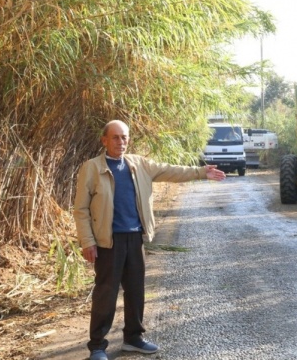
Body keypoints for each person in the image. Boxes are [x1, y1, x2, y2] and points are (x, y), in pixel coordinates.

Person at [73, 120, 226, 360]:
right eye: (115, 137)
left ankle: (133, 338)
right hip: (107, 242)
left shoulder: (139, 164)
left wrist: (200, 172)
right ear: (104, 140)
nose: (121, 142)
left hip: (135, 237)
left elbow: (171, 171)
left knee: (136, 291)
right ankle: (98, 346)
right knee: (106, 293)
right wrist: (87, 241)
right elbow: (81, 209)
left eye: (124, 137)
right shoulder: (91, 168)